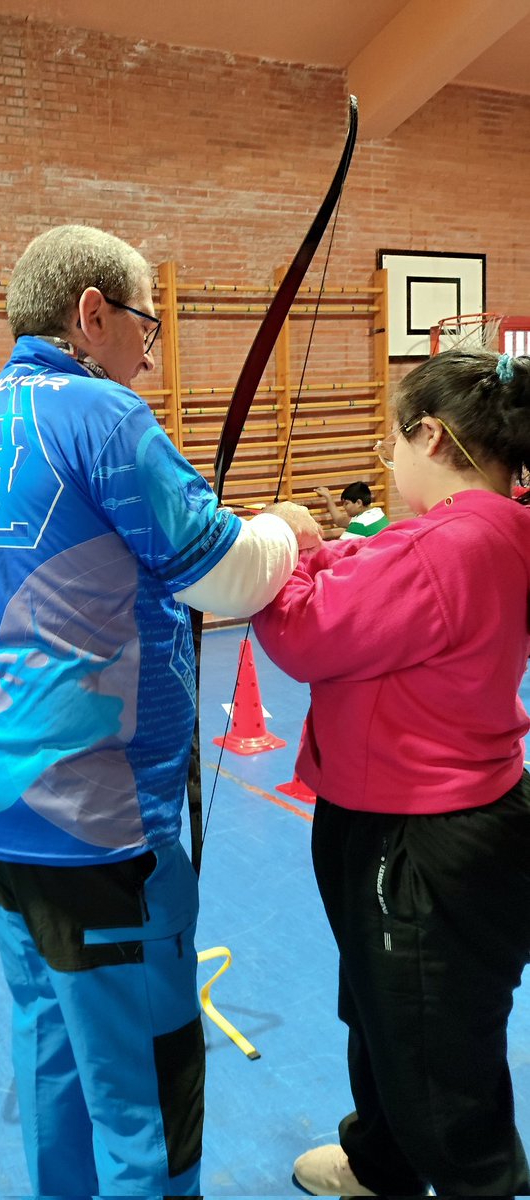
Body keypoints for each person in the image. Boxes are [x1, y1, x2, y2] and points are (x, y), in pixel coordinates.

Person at [0, 224, 321, 1196]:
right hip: (94, 830)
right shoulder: (100, 415)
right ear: (91, 314)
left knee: (56, 1047)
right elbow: (228, 576)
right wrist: (289, 527)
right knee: (145, 1090)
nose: (152, 347)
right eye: (145, 322)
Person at [252, 348, 530, 1197]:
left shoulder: (449, 546)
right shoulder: (491, 525)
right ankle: (382, 1160)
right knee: (384, 1008)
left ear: (430, 437)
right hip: (412, 815)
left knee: (428, 1037)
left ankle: (476, 1179)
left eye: (392, 447)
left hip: (420, 831)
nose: (391, 464)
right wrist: (325, 550)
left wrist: (291, 554)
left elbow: (304, 636)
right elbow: (383, 563)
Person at [315, 480, 389, 539]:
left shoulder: (360, 524)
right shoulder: (378, 513)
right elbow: (340, 520)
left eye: (346, 503)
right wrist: (328, 497)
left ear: (358, 503)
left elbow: (337, 550)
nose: (344, 507)